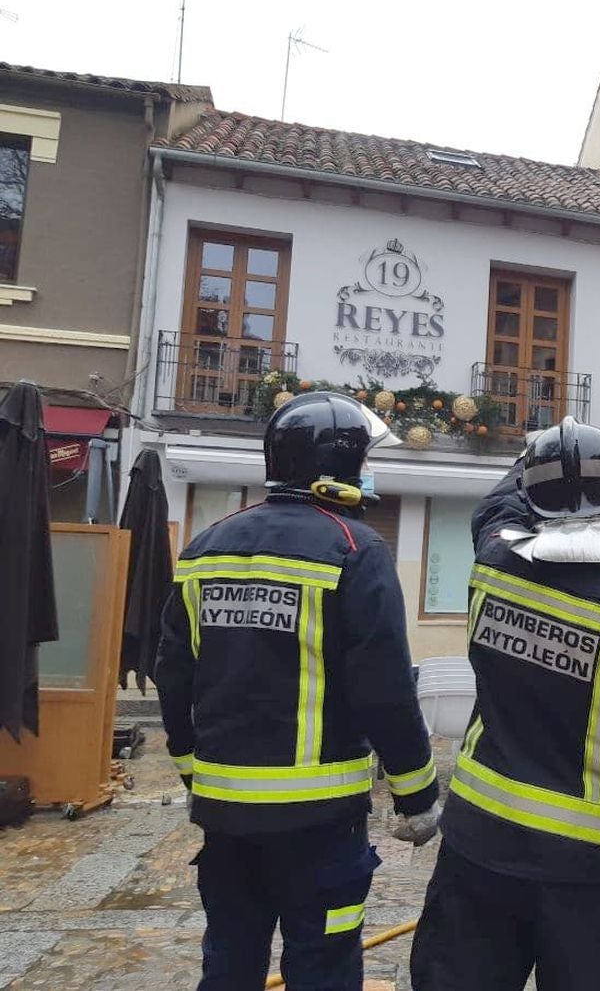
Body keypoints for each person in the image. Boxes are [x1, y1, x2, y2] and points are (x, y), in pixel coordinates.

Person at [410, 417, 600, 991]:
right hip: (582, 867)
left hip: (478, 843)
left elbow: (496, 511)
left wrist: (544, 452)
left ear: (529, 491)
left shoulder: (494, 563)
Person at [155, 391, 440, 991]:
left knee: (230, 957)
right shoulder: (356, 549)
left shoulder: (206, 547)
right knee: (324, 965)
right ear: (344, 464)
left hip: (225, 816)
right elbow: (385, 688)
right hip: (321, 823)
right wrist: (417, 795)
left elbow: (174, 673)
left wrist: (192, 774)